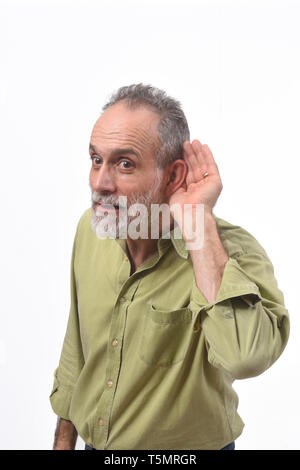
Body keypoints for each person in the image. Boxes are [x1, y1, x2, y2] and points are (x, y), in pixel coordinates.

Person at [49, 83, 290, 450]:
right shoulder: (91, 229)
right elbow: (78, 349)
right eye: (96, 159)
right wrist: (63, 441)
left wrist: (198, 224)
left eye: (124, 163)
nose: (100, 182)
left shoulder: (231, 251)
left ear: (174, 176)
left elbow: (245, 357)